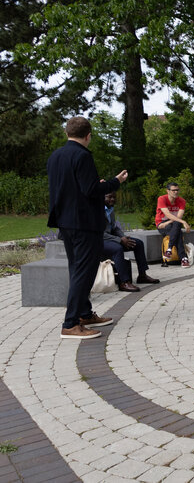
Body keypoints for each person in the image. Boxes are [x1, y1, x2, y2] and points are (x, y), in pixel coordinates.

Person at [47, 116, 128, 339]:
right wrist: (114, 182)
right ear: (88, 136)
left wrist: (95, 185)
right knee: (84, 272)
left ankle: (84, 314)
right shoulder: (82, 156)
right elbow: (91, 190)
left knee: (77, 269)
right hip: (83, 224)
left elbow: (69, 188)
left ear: (66, 133)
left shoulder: (55, 156)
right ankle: (70, 323)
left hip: (65, 222)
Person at [103, 192, 159, 291]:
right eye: (109, 197)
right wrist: (120, 240)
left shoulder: (110, 209)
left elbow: (115, 228)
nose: (112, 199)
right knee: (118, 249)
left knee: (138, 243)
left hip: (111, 239)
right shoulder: (95, 210)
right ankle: (124, 282)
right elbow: (99, 233)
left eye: (114, 197)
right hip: (99, 242)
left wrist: (124, 237)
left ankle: (142, 275)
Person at [156, 182, 191, 267]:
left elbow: (178, 217)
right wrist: (184, 222)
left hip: (172, 223)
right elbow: (167, 214)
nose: (176, 192)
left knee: (177, 226)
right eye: (173, 190)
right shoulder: (162, 199)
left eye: (177, 190)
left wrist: (172, 221)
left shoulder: (182, 201)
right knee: (178, 231)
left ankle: (169, 249)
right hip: (162, 224)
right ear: (167, 191)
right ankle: (183, 258)